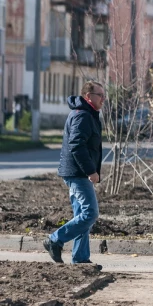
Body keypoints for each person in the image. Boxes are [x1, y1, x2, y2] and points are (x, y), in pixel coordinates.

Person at [43, 81, 105, 268]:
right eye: (99, 95)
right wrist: (90, 171)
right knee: (90, 213)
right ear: (88, 96)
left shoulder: (88, 114)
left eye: (104, 95)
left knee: (81, 214)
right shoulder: (82, 116)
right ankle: (55, 240)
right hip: (78, 173)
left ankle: (80, 259)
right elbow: (77, 145)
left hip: (77, 172)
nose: (103, 99)